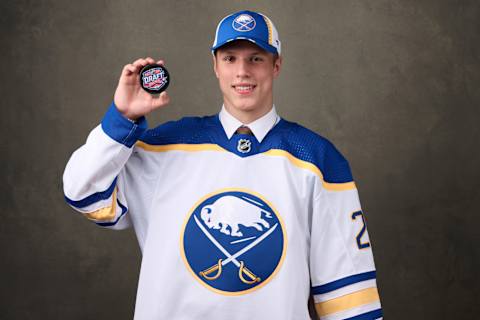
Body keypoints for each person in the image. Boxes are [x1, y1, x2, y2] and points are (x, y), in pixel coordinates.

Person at [63, 10, 382, 320]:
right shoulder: (162, 148)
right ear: (215, 65)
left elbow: (349, 297)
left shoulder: (317, 160)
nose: (242, 71)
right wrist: (122, 119)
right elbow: (83, 192)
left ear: (277, 65)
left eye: (255, 58)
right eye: (230, 59)